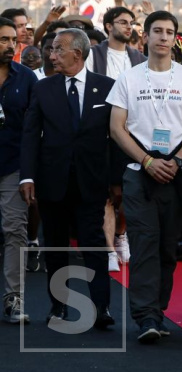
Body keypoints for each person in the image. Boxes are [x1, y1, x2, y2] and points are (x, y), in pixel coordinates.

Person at [107, 11, 182, 343]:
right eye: (157, 31)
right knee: (144, 244)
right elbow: (116, 127)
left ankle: (158, 309)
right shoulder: (129, 78)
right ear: (146, 36)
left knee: (168, 248)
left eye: (169, 32)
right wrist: (147, 161)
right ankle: (145, 315)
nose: (163, 37)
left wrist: (177, 160)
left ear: (175, 38)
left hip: (177, 174)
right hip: (139, 173)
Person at [19, 28, 117, 329]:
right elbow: (31, 133)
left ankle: (101, 308)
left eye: (58, 49)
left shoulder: (107, 87)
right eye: (51, 50)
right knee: (56, 245)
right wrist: (27, 177)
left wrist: (115, 181)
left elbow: (114, 137)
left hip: (92, 181)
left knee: (94, 244)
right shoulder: (44, 87)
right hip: (52, 180)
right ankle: (58, 306)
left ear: (78, 52)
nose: (51, 55)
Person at [86, 6, 147, 272]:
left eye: (131, 23)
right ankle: (109, 249)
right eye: (123, 22)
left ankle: (121, 235)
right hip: (100, 132)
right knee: (105, 195)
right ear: (108, 26)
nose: (128, 27)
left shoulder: (138, 58)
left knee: (124, 193)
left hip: (130, 132)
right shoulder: (94, 55)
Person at [0, 17, 37, 324]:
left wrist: (29, 172)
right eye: (3, 39)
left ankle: (14, 299)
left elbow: (35, 127)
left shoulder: (26, 78)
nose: (10, 45)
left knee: (15, 231)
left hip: (13, 167)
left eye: (12, 39)